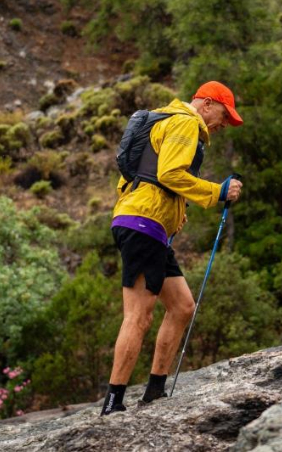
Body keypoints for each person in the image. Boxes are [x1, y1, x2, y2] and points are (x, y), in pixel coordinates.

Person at [101, 81, 244, 415]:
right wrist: (216, 192)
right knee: (139, 315)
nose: (224, 124)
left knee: (181, 306)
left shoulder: (165, 121)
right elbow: (169, 174)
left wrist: (173, 216)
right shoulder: (183, 121)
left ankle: (154, 390)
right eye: (225, 115)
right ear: (207, 104)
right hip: (143, 224)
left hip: (144, 223)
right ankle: (113, 402)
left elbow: (141, 176)